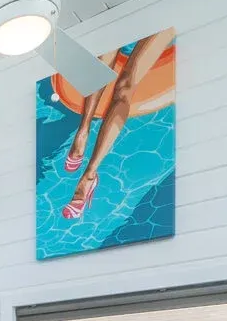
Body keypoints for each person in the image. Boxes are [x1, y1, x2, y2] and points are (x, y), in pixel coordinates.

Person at [59, 28, 175, 220]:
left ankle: (89, 175)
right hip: (128, 9)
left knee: (124, 86)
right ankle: (83, 130)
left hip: (160, 17)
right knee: (108, 45)